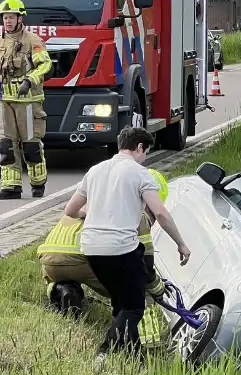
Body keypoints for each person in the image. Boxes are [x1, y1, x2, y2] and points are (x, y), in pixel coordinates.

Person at [62, 127, 191, 358]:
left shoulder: (95, 170)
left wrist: (88, 214)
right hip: (121, 249)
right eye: (146, 153)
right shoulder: (140, 173)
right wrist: (181, 244)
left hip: (91, 248)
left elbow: (70, 210)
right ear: (139, 147)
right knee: (134, 306)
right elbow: (160, 213)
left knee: (121, 304)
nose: (145, 159)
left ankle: (133, 353)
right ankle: (105, 353)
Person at [38, 167, 170, 314]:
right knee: (136, 289)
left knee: (62, 275)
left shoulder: (98, 197)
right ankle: (140, 331)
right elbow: (145, 264)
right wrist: (157, 289)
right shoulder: (134, 212)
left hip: (49, 258)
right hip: (82, 257)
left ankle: (62, 289)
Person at [0, 0, 52, 200]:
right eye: (5, 17)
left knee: (31, 145)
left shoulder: (33, 41)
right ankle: (11, 186)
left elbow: (46, 65)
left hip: (28, 101)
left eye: (11, 17)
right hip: (4, 101)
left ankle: (38, 183)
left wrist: (29, 81)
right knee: (6, 144)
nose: (8, 21)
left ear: (20, 18)